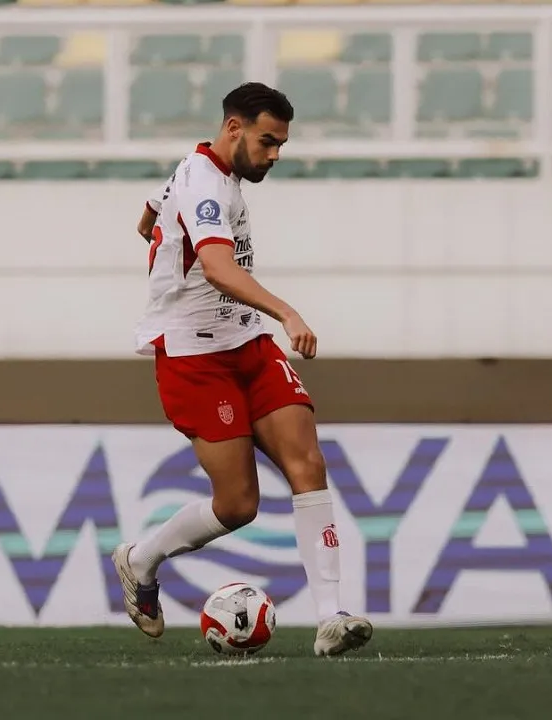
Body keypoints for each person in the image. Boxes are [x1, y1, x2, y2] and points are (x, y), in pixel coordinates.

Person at [114, 82, 373, 657]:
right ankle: (140, 560)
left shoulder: (201, 168)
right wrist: (286, 310)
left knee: (308, 459)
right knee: (238, 505)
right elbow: (215, 266)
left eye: (280, 144)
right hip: (195, 355)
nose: (275, 155)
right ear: (234, 128)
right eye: (267, 142)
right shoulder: (205, 181)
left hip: (246, 342)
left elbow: (147, 218)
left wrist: (161, 240)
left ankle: (332, 617)